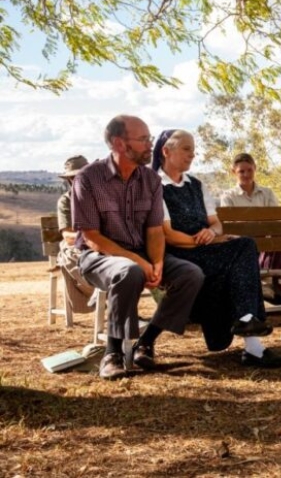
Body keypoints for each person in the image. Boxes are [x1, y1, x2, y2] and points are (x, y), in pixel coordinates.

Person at [72, 115, 201, 380]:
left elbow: (154, 230)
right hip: (98, 256)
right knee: (129, 271)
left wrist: (156, 264)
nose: (149, 145)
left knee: (191, 274)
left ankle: (147, 341)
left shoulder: (151, 180)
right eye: (143, 139)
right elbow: (92, 237)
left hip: (141, 253)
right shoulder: (88, 179)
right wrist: (140, 263)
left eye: (149, 138)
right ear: (119, 144)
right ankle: (113, 353)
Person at [153, 130, 281, 368]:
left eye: (193, 150)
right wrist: (213, 240)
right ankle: (253, 344)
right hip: (180, 256)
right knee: (242, 251)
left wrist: (213, 233)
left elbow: (216, 223)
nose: (192, 155)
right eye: (187, 149)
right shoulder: (155, 186)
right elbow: (169, 235)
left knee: (244, 246)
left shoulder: (196, 185)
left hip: (207, 251)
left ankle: (249, 328)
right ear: (166, 151)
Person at [219, 152, 281, 306]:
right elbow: (230, 227)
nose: (246, 174)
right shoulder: (228, 196)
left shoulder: (267, 193)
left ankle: (272, 287)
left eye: (249, 170)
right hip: (244, 247)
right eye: (241, 171)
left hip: (269, 244)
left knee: (277, 241)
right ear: (233, 172)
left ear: (255, 169)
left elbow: (274, 222)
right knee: (279, 245)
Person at [55, 155, 95, 313]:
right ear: (69, 180)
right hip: (80, 244)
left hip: (105, 244)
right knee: (74, 255)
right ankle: (103, 293)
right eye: (73, 177)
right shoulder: (66, 201)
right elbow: (68, 237)